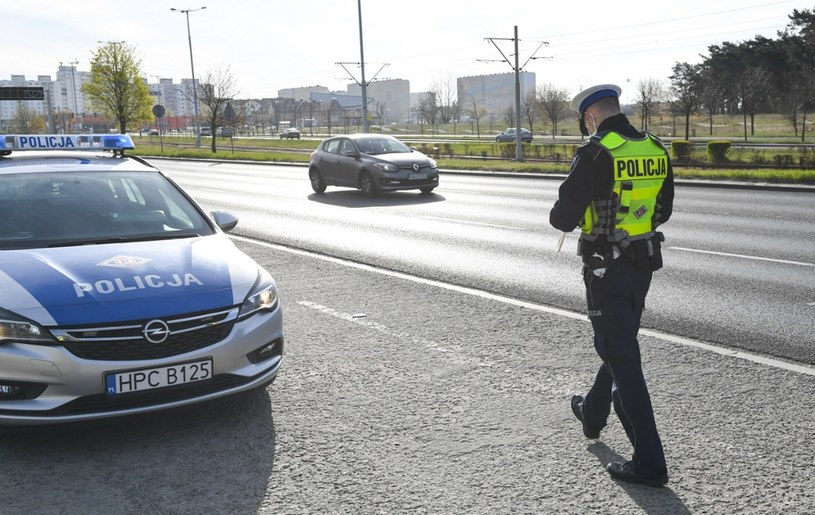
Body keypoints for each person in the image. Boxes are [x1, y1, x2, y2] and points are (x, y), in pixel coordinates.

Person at [549, 84, 674, 487]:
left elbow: (562, 219)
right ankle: (594, 411)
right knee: (618, 344)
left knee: (621, 357)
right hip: (642, 265)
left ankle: (649, 463)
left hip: (606, 269)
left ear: (589, 118)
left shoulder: (596, 151)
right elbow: (664, 210)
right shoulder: (655, 147)